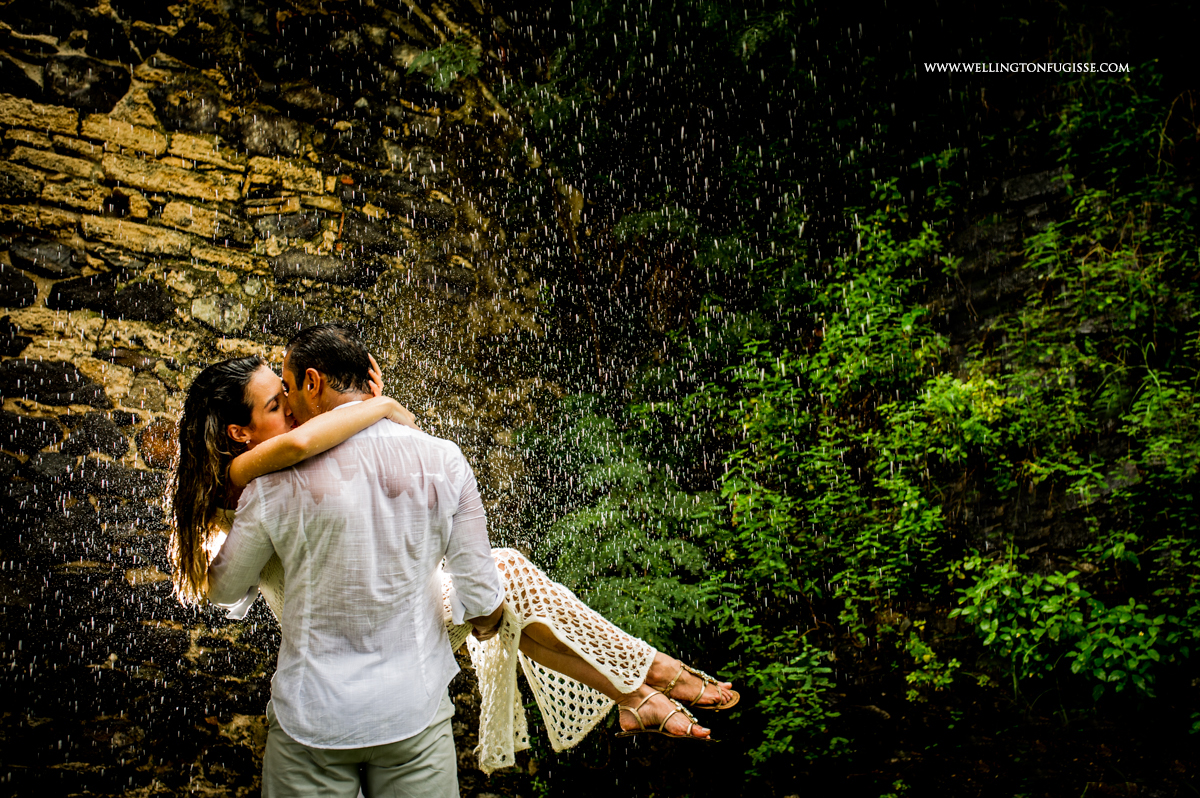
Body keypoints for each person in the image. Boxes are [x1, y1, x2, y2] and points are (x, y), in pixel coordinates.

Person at [168, 326, 737, 787]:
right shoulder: (251, 479)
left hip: (396, 618)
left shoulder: (287, 461)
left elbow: (329, 446)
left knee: (505, 574)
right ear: (241, 433)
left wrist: (369, 408)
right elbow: (297, 448)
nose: (292, 410)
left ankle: (635, 686)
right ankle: (642, 684)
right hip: (361, 635)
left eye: (290, 394)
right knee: (500, 583)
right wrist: (382, 405)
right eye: (277, 402)